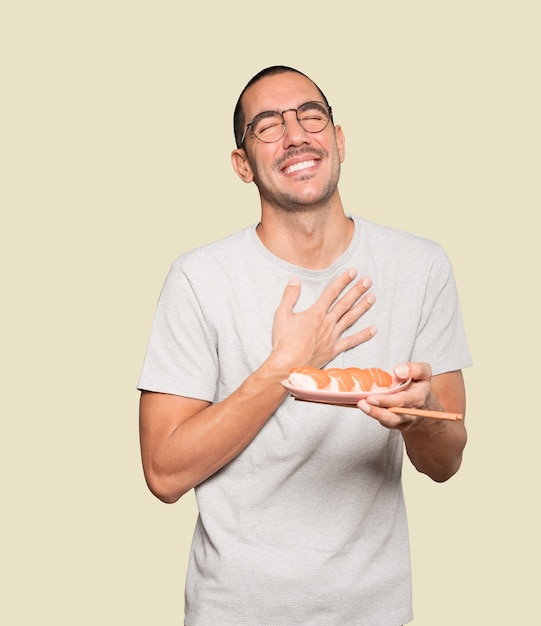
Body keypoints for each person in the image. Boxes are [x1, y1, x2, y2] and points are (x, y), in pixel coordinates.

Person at [138, 65, 472, 626]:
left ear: (338, 140)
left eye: (311, 116)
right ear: (243, 165)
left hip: (376, 611)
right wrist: (285, 368)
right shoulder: (199, 279)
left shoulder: (421, 267)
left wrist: (423, 417)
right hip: (234, 612)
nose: (296, 135)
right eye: (267, 126)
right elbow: (164, 473)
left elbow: (447, 462)